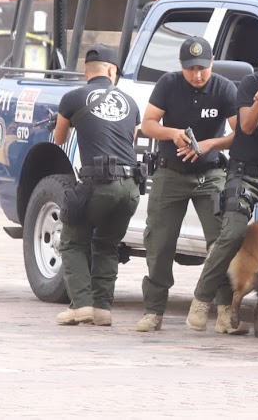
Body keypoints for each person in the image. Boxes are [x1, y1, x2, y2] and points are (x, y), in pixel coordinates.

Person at [187, 39, 258, 332]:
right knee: (233, 232)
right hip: (245, 171)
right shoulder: (251, 84)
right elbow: (247, 127)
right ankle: (201, 299)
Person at [135, 36, 239, 333]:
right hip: (171, 172)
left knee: (220, 242)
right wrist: (173, 133)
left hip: (210, 174)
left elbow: (239, 131)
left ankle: (223, 311)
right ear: (180, 65)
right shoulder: (168, 84)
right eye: (190, 68)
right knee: (159, 242)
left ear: (212, 63)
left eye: (202, 68)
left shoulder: (223, 87)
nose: (197, 75)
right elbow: (149, 123)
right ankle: (154, 311)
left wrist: (210, 144)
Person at [53, 45, 142, 327]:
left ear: (85, 73)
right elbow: (130, 137)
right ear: (112, 71)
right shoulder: (131, 102)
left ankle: (81, 306)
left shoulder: (72, 97)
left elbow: (58, 138)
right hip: (130, 187)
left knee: (72, 242)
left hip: (98, 183)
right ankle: (103, 308)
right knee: (107, 244)